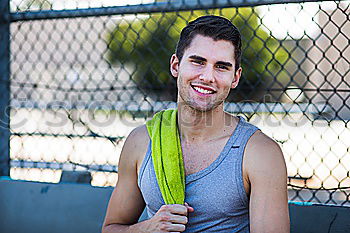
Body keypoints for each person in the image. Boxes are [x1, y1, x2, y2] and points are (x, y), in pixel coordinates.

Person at [102, 15, 290, 233]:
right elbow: (110, 229)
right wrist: (147, 229)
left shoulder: (260, 153)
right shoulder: (141, 142)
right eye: (198, 62)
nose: (208, 76)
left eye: (221, 66)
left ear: (235, 77)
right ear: (175, 65)